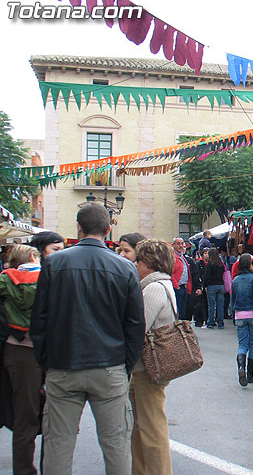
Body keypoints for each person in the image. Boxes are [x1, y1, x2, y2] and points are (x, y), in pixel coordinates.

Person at [30, 203, 145, 474]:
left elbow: (39, 320)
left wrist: (46, 362)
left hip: (64, 364)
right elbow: (134, 325)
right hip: (109, 366)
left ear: (78, 228)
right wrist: (124, 365)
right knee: (116, 444)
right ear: (108, 230)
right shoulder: (125, 267)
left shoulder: (54, 262)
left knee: (58, 444)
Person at [129, 239, 176, 475]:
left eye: (137, 260)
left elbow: (139, 329)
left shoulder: (154, 288)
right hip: (148, 367)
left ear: (149, 262)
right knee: (141, 428)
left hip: (146, 368)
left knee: (152, 428)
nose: (135, 264)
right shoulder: (159, 285)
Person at [0, 245, 42, 475]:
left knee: (26, 414)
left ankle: (25, 469)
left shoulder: (6, 280)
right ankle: (25, 470)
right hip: (29, 351)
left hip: (18, 347)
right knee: (28, 414)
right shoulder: (44, 279)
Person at [230, 253, 253, 386]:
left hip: (240, 315)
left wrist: (234, 315)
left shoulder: (236, 280)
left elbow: (232, 300)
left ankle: (241, 368)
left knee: (242, 344)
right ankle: (250, 374)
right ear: (250, 265)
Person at [170, 238, 202, 320]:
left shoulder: (182, 257)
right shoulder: (172, 257)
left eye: (182, 243)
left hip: (185, 288)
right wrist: (176, 285)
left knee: (184, 312)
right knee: (179, 312)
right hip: (178, 288)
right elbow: (170, 272)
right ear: (173, 245)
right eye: (178, 243)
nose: (181, 245)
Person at [202, 247, 226, 329]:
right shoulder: (221, 264)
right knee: (220, 305)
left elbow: (207, 276)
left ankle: (211, 322)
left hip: (212, 286)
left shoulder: (210, 264)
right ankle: (220, 323)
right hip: (221, 285)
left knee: (211, 305)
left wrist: (205, 285)